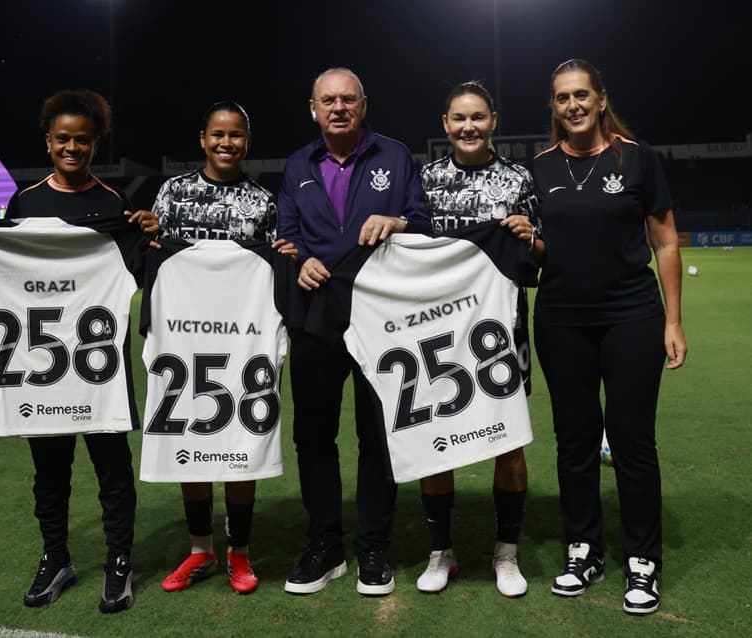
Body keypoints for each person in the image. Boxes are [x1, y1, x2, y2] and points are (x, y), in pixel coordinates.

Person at [0, 89, 158, 613]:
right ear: (48, 141)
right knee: (50, 473)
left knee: (113, 470)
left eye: (82, 139)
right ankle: (56, 557)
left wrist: (148, 233)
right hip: (42, 370)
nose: (72, 148)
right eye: (63, 139)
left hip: (96, 368)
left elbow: (140, 270)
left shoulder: (115, 204)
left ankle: (119, 562)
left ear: (96, 143)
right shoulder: (26, 202)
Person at [531, 59, 687, 615]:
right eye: (562, 98)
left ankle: (642, 558)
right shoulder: (540, 167)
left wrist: (672, 321)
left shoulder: (637, 158)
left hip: (631, 316)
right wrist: (527, 238)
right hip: (560, 320)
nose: (572, 105)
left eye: (581, 95)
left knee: (631, 439)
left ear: (600, 99)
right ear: (554, 107)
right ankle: (584, 550)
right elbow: (542, 249)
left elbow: (665, 242)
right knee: (574, 439)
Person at [278, 67, 431, 596]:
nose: (338, 108)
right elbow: (285, 235)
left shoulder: (396, 156)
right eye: (328, 101)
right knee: (313, 435)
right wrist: (299, 259)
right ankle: (324, 544)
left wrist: (398, 223)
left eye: (348, 100)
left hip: (380, 317)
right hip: (316, 316)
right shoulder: (297, 164)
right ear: (313, 109)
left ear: (363, 105)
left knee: (378, 434)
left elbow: (423, 222)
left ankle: (373, 546)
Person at [146, 101, 296, 595]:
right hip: (185, 335)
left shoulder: (262, 202)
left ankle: (239, 552)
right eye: (218, 134)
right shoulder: (173, 193)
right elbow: (156, 258)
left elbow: (273, 266)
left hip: (242, 338)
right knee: (189, 435)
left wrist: (285, 256)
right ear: (203, 139)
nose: (226, 143)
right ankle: (200, 548)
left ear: (246, 142)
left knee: (239, 438)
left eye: (235, 135)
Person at [417, 81, 542, 596]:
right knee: (435, 441)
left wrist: (531, 237)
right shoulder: (425, 180)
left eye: (477, 117)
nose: (468, 127)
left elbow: (541, 252)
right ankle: (440, 551)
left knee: (507, 440)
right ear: (445, 124)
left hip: (501, 329)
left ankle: (506, 553)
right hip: (436, 333)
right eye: (459, 118)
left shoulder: (519, 179)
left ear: (493, 120)